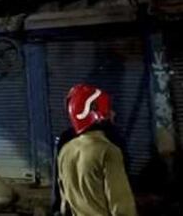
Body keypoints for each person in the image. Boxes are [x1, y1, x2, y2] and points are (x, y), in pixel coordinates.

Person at [54, 84, 136, 216]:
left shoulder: (65, 150)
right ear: (97, 112)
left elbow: (64, 204)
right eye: (109, 110)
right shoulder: (108, 151)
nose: (113, 114)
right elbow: (121, 206)